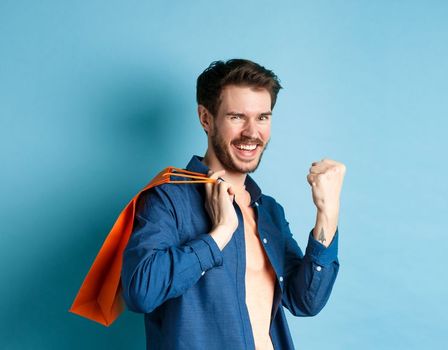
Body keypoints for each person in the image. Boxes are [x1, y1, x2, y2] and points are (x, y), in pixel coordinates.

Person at [121, 58, 345, 350]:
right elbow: (141, 292)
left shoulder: (269, 211)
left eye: (263, 117)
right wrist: (220, 234)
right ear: (206, 118)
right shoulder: (167, 198)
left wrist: (327, 213)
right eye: (237, 117)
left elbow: (305, 301)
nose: (252, 132)